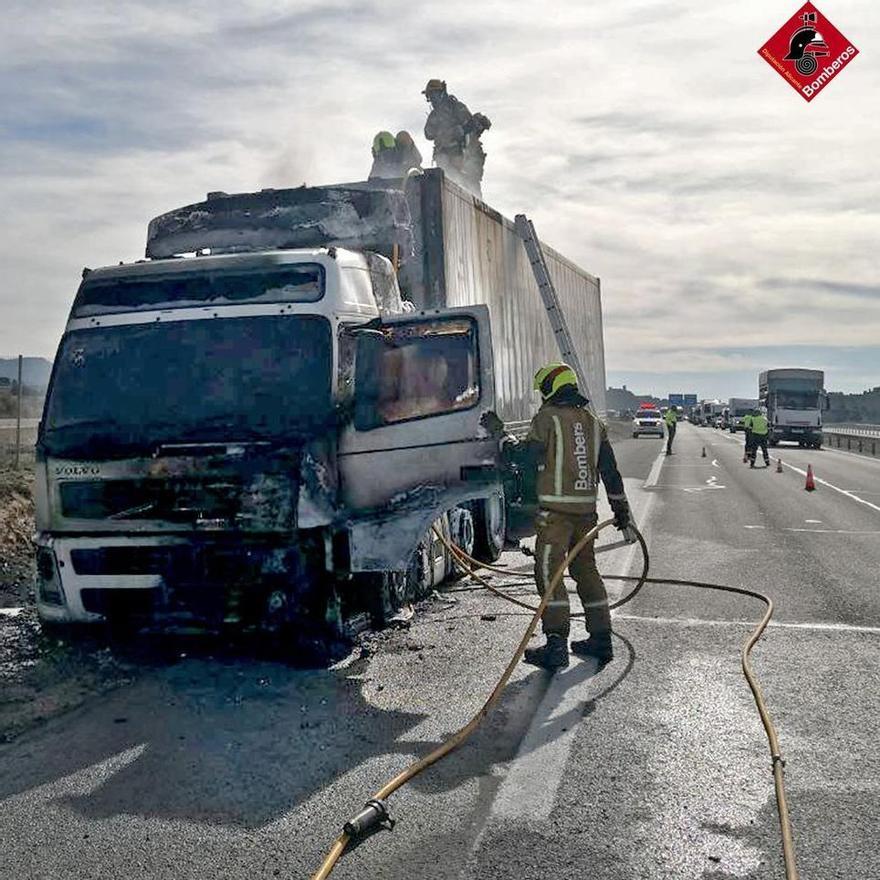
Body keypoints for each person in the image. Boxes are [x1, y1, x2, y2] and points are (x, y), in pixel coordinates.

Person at [513, 363, 631, 670]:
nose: (541, 398)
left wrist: (501, 439)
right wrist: (621, 510)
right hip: (585, 516)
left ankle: (555, 644)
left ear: (551, 388)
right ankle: (601, 639)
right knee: (586, 571)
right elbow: (611, 473)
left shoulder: (547, 418)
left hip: (555, 517)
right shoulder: (594, 423)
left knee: (549, 574)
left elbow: (527, 458)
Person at [422, 79, 491, 195]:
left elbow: (471, 130)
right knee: (446, 188)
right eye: (430, 97)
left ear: (441, 93)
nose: (432, 100)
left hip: (462, 156)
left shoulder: (456, 108)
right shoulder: (434, 115)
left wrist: (460, 131)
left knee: (469, 187)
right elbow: (428, 134)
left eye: (433, 95)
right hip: (444, 158)